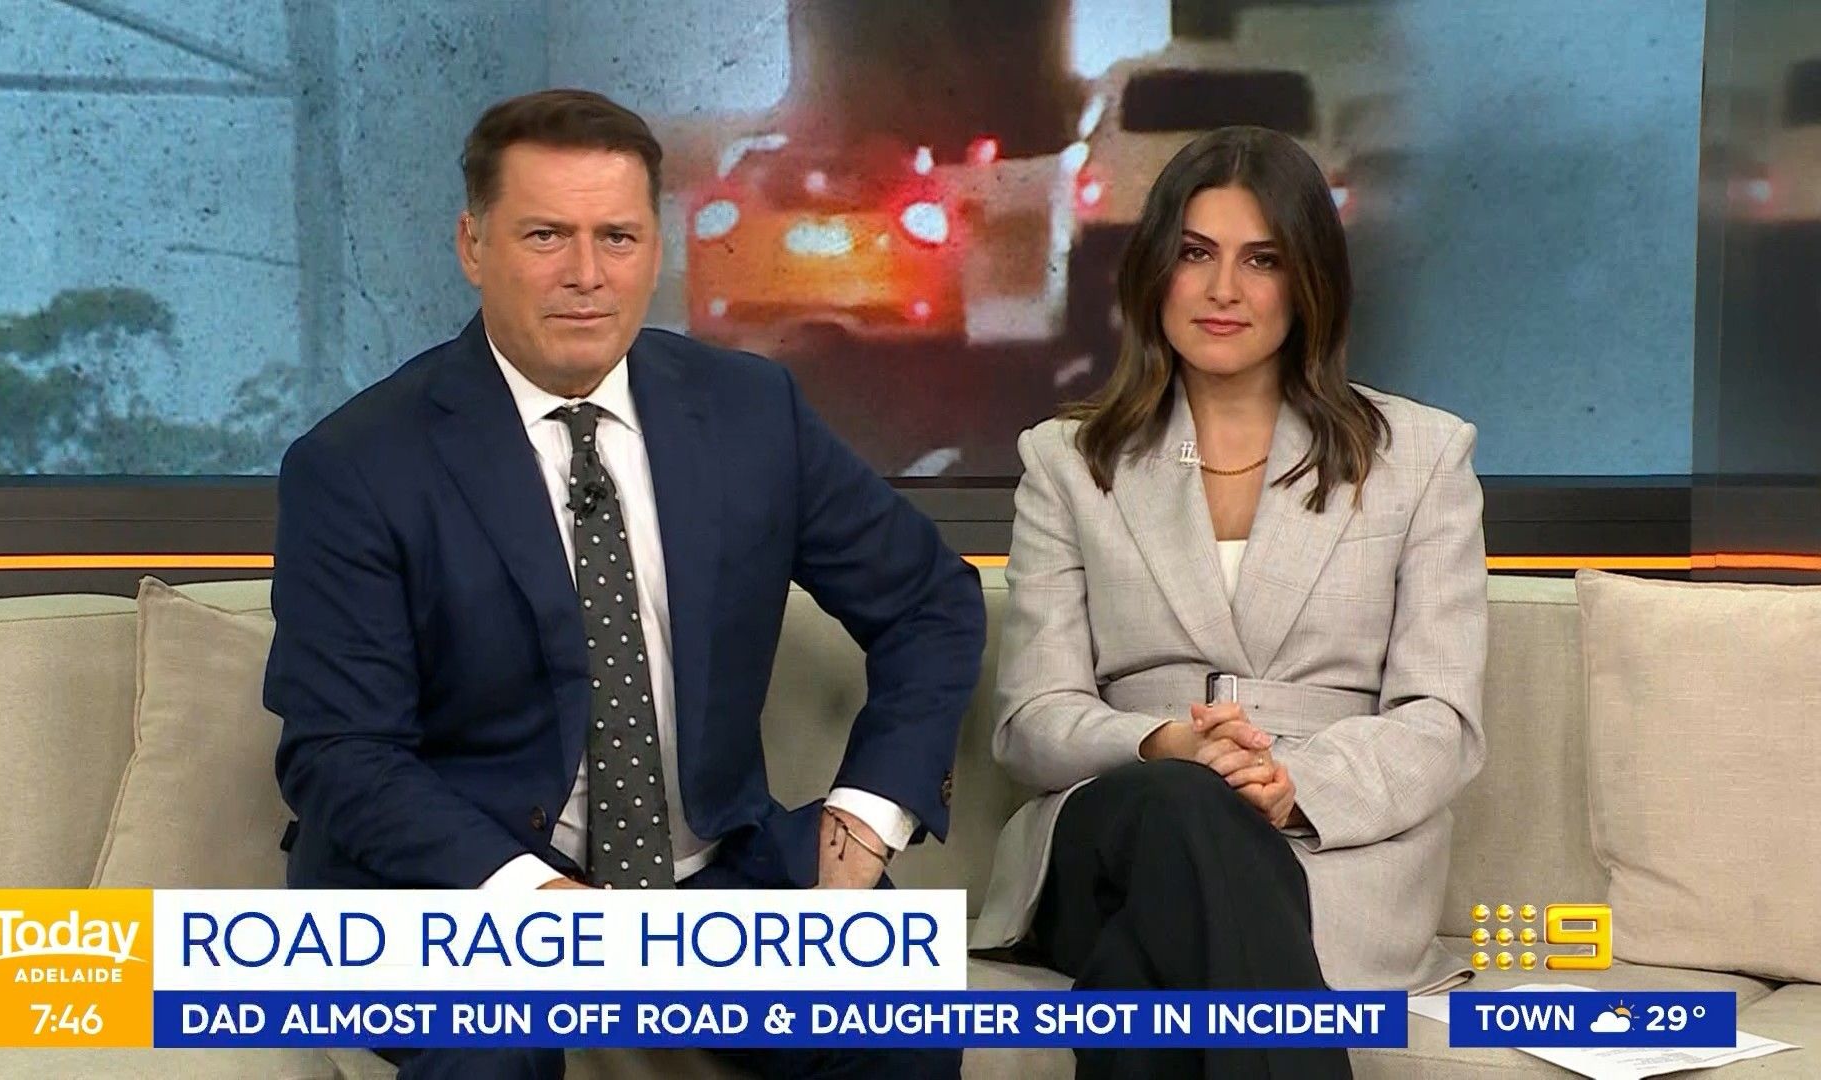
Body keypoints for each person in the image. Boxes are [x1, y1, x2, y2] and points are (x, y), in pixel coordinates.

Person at [265, 89, 984, 1080]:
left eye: (617, 236)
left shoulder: (750, 413)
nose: (587, 275)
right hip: (462, 889)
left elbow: (928, 603)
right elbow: (341, 752)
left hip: (710, 879)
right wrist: (537, 902)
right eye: (545, 236)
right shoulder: (358, 464)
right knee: (489, 1052)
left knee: (901, 1015)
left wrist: (867, 812)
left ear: (656, 249)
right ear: (472, 246)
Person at [969, 126, 1489, 1079]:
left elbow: (1440, 720)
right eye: (1195, 254)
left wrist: (1292, 785)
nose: (1222, 290)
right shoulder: (1067, 462)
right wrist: (1166, 745)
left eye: (1262, 260)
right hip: (1114, 830)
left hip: (1318, 849)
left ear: (1310, 281)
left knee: (1140, 972)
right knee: (1182, 804)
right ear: (1154, 271)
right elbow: (1031, 723)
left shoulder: (1421, 457)